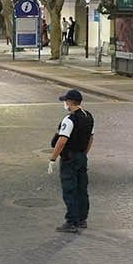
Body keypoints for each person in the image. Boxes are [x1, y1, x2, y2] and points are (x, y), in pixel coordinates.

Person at [48, 88, 94, 233]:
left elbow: (62, 141)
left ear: (70, 102)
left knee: (70, 189)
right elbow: (91, 138)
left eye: (66, 101)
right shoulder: (89, 117)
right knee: (82, 188)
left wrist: (52, 158)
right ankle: (82, 219)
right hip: (81, 156)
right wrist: (84, 154)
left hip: (69, 158)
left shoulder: (69, 119)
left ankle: (72, 221)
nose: (65, 104)